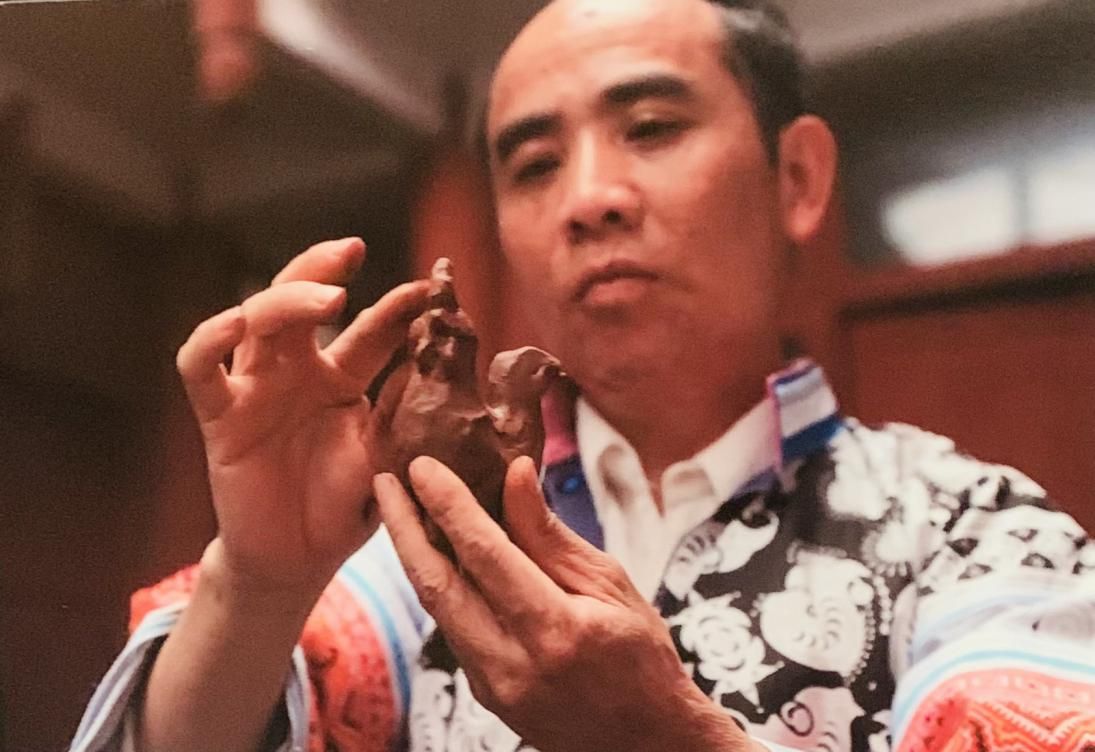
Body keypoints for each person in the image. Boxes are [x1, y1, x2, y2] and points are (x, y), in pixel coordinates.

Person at [71, 1, 1095, 751]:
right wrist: (258, 582)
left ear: (795, 178)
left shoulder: (974, 531)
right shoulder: (419, 542)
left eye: (650, 128)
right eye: (533, 165)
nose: (588, 198)